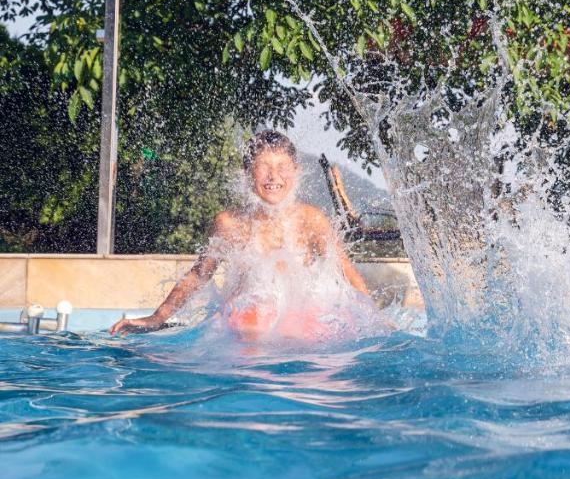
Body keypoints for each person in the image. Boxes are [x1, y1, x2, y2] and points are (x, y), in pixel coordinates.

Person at [109, 130, 373, 340]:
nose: (274, 176)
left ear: (296, 171)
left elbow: (346, 273)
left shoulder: (311, 220)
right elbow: (199, 275)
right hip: (247, 323)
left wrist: (375, 317)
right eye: (263, 167)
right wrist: (157, 317)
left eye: (282, 167)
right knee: (252, 320)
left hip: (300, 320)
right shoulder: (230, 223)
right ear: (248, 173)